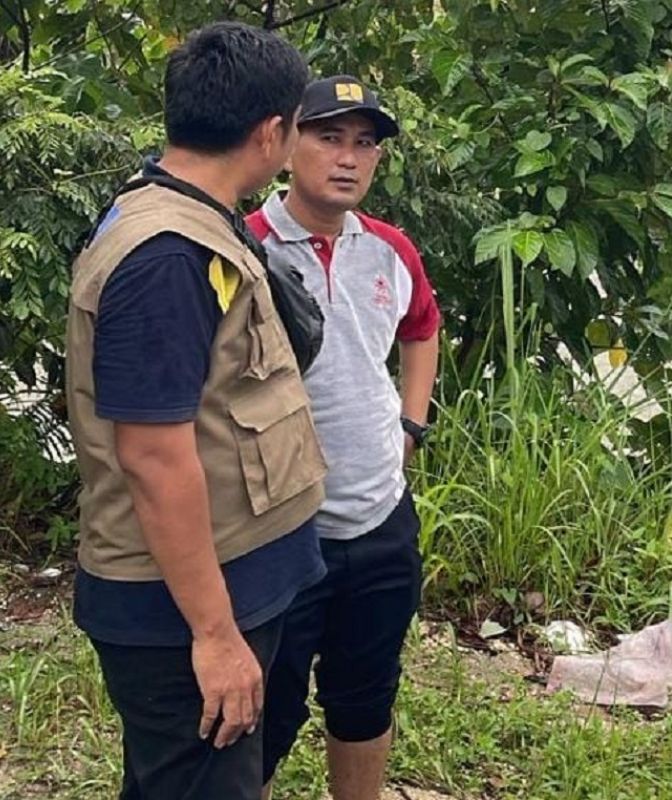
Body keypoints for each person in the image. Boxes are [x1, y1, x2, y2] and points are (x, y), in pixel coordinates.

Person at [66, 22, 327, 800]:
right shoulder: (167, 256)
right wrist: (214, 635)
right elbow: (152, 455)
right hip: (180, 607)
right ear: (271, 133)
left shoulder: (188, 213)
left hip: (236, 572)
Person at [246, 75, 440, 800]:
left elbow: (422, 328)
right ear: (285, 141)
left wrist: (411, 423)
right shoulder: (245, 247)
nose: (348, 158)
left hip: (380, 514)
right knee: (262, 707)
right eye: (329, 137)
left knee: (365, 694)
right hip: (280, 525)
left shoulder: (390, 249)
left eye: (364, 143)